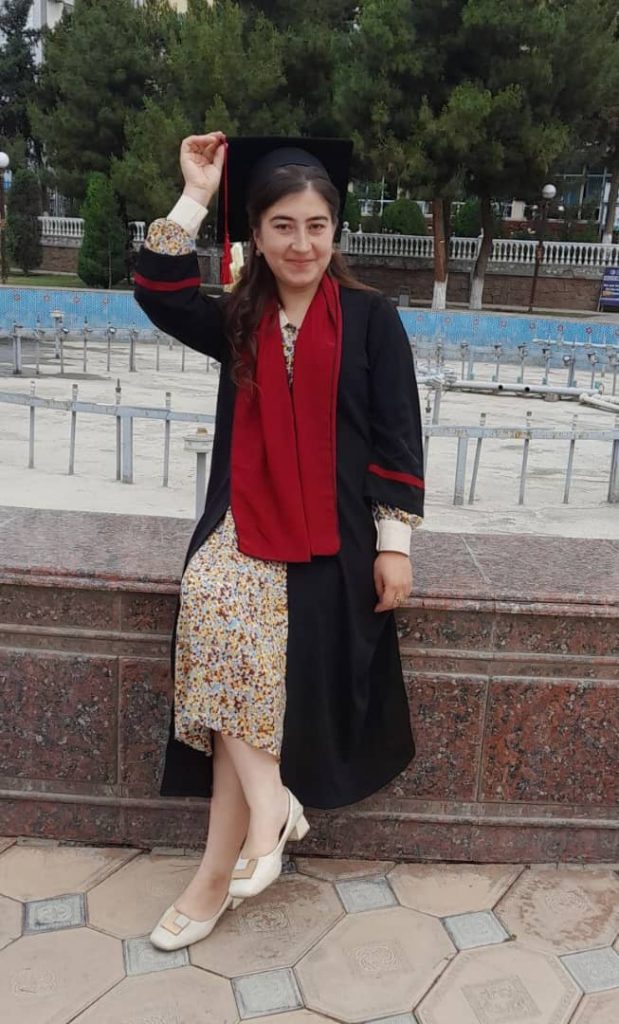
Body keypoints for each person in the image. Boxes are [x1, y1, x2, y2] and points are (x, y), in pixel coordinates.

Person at [133, 132, 425, 951]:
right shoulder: (238, 315)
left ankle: (218, 870)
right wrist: (194, 195)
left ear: (336, 233)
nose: (302, 244)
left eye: (317, 226)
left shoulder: (372, 318)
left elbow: (398, 436)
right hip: (244, 521)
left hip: (330, 536)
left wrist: (393, 541)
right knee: (214, 595)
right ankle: (271, 810)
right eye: (283, 226)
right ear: (256, 235)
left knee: (235, 660)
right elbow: (157, 289)